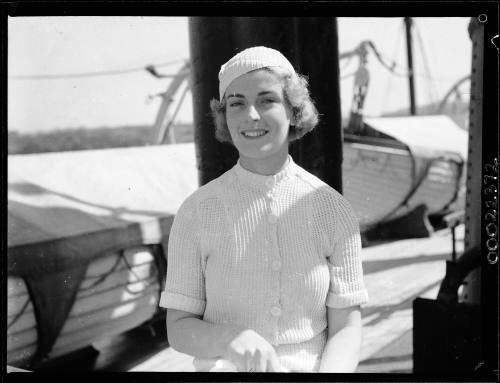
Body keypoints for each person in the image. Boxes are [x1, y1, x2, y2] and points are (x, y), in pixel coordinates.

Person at [159, 46, 369, 373]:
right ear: (224, 117)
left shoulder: (334, 209)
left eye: (267, 100)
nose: (251, 115)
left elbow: (346, 327)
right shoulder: (196, 212)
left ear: (293, 109)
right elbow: (179, 327)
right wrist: (231, 339)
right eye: (237, 103)